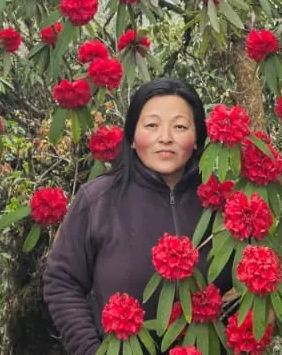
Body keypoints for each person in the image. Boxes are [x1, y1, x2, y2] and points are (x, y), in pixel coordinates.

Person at [42, 77, 211, 355]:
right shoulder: (97, 201)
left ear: (196, 140)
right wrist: (89, 349)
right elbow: (62, 281)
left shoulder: (220, 203)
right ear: (132, 138)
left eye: (180, 126)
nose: (165, 137)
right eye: (152, 125)